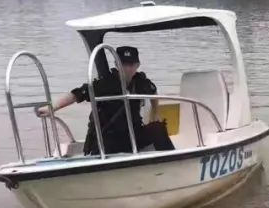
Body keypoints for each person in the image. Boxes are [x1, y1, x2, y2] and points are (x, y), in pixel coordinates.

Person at [37, 46, 174, 155]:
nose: (128, 68)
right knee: (105, 145)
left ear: (137, 65)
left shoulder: (140, 82)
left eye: (131, 64)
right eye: (124, 64)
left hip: (133, 134)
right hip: (108, 138)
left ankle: (173, 162)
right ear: (116, 64)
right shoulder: (104, 83)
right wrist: (52, 107)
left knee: (157, 127)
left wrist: (155, 112)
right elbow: (76, 94)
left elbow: (153, 91)